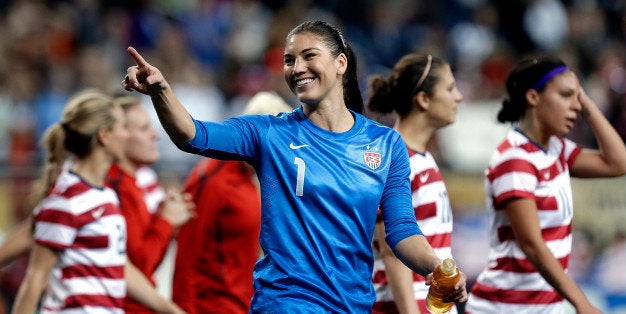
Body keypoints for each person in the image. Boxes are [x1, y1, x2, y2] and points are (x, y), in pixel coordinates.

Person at [123, 20, 468, 312]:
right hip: (287, 303)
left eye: (308, 56)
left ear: (340, 63)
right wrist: (161, 92)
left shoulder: (385, 144)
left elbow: (402, 231)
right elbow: (193, 135)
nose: (296, 67)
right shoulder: (269, 133)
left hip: (354, 304)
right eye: (289, 60)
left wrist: (436, 267)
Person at [464, 56, 626, 313]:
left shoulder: (556, 150)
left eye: (577, 98)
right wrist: (581, 302)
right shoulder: (515, 158)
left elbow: (619, 163)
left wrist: (586, 104)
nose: (574, 106)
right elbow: (531, 244)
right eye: (565, 96)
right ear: (533, 97)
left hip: (542, 306)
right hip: (505, 307)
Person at [10, 90, 185, 313]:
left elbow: (120, 266)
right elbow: (35, 278)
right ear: (104, 135)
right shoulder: (68, 199)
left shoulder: (103, 193)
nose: (126, 135)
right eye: (122, 127)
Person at [172, 91, 292, 314]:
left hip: (246, 304)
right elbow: (187, 254)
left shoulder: (258, 179)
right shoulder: (214, 178)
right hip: (212, 307)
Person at [367, 53, 463, 313]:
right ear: (424, 99)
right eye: (450, 88)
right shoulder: (392, 159)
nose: (459, 97)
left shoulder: (421, 156)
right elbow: (391, 252)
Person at [107, 95, 194, 313]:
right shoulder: (115, 187)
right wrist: (166, 221)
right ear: (121, 135)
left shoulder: (132, 183)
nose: (155, 135)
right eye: (144, 129)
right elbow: (139, 267)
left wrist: (165, 220)